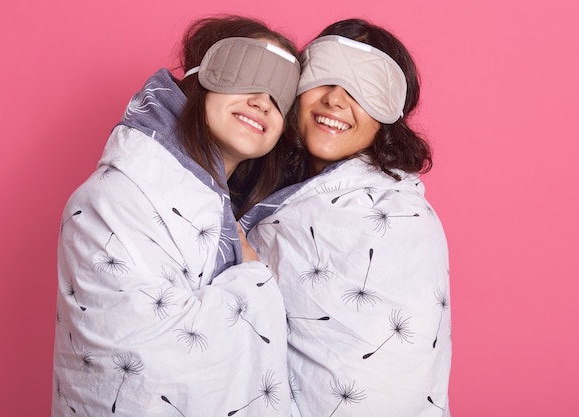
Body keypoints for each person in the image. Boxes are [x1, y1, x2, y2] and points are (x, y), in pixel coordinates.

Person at [52, 15, 300, 416]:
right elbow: (148, 361)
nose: (262, 101)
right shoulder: (116, 196)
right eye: (247, 73)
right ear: (200, 79)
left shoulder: (238, 216)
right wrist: (255, 284)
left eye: (280, 95)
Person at [242, 19, 452, 416]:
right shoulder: (264, 190)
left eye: (364, 88)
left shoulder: (404, 218)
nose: (336, 100)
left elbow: (392, 374)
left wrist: (248, 270)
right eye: (324, 76)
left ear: (389, 117)